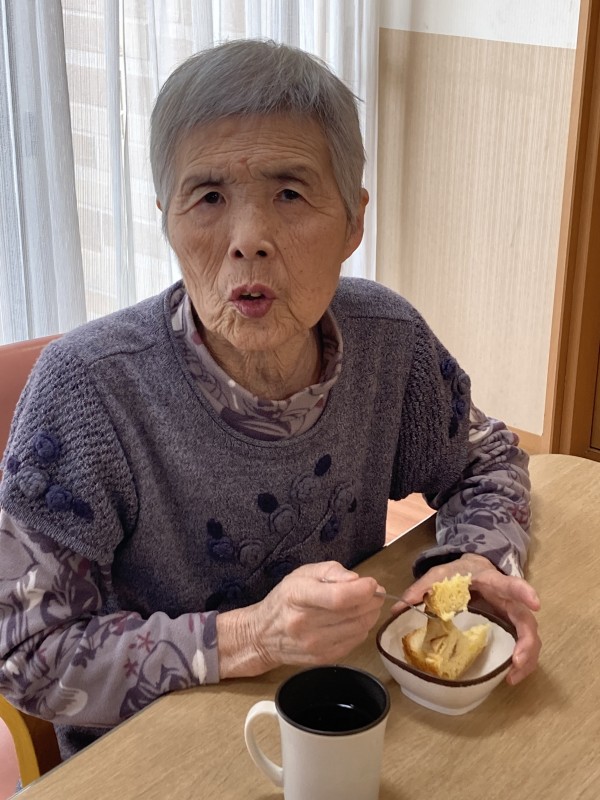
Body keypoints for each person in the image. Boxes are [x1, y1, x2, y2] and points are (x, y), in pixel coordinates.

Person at [0, 39, 540, 760]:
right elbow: (25, 653)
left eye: (290, 193)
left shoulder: (387, 341)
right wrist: (251, 635)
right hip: (157, 756)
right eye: (208, 197)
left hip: (343, 715)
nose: (248, 240)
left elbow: (486, 458)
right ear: (167, 218)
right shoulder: (88, 390)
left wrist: (477, 559)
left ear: (353, 221)